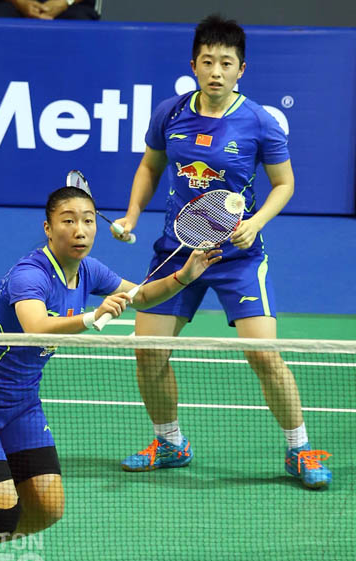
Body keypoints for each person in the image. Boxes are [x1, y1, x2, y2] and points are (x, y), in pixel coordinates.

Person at [0, 185, 221, 561]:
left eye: (88, 220)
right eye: (68, 221)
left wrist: (184, 277)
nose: (80, 230)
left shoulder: (89, 271)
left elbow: (141, 296)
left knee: (48, 508)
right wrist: (91, 317)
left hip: (21, 403)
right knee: (1, 511)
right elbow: (36, 326)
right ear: (48, 228)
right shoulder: (30, 275)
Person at [113, 15, 332, 489]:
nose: (216, 71)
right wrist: (131, 216)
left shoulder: (259, 122)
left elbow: (284, 183)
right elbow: (150, 167)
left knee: (264, 355)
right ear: (193, 64)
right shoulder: (170, 113)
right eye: (208, 61)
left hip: (237, 254)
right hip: (178, 251)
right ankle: (170, 442)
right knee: (148, 353)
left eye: (226, 63)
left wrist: (256, 222)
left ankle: (299, 448)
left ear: (241, 69)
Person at [0, 0, 101, 20]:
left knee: (83, 33)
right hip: (12, 4)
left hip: (73, 5)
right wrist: (20, 2)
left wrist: (65, 1)